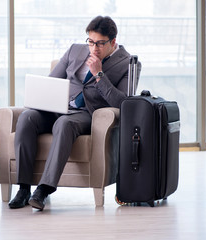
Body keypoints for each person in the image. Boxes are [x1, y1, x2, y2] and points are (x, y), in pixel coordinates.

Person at [9, 16, 141, 210]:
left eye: (100, 44)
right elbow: (52, 81)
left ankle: (44, 189)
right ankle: (23, 188)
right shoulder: (74, 50)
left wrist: (99, 75)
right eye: (91, 42)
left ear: (113, 42)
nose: (94, 48)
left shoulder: (128, 63)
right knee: (27, 117)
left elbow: (123, 103)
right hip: (60, 107)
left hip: (87, 114)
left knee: (64, 124)